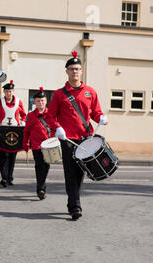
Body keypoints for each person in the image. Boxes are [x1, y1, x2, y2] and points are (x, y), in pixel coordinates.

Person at [46, 51, 108, 220]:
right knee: (71, 173)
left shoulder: (90, 92)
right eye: (72, 69)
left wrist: (101, 118)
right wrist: (57, 127)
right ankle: (75, 206)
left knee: (81, 173)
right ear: (66, 71)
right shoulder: (59, 94)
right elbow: (50, 116)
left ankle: (73, 201)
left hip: (86, 139)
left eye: (78, 69)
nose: (75, 72)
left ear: (81, 71)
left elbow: (95, 112)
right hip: (68, 139)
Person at [0, 80, 26, 187]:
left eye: (10, 91)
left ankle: (10, 177)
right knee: (4, 155)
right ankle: (4, 178)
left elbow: (24, 115)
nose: (9, 94)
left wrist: (23, 122)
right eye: (7, 91)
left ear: (13, 91)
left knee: (13, 155)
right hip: (3, 131)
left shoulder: (19, 102)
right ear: (4, 92)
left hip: (15, 131)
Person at [23, 87, 53, 200]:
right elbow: (26, 131)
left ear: (46, 101)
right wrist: (25, 144)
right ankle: (40, 189)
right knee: (39, 166)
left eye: (42, 100)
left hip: (49, 146)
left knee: (46, 167)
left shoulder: (51, 113)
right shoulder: (30, 116)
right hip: (36, 145)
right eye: (38, 101)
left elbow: (56, 127)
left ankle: (41, 186)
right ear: (34, 102)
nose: (40, 103)